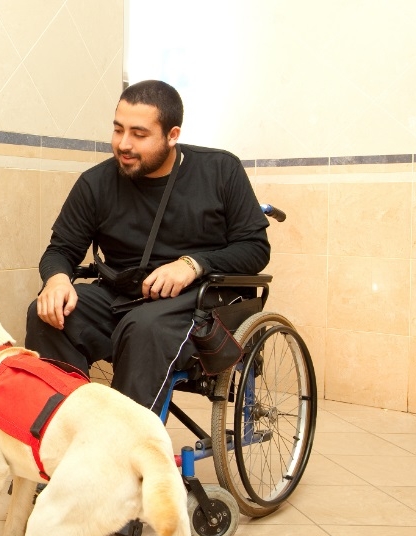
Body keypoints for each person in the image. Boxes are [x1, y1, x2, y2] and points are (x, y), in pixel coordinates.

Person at [26, 80, 269, 415]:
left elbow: (255, 248)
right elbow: (60, 250)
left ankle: (125, 451)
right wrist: (56, 280)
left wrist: (192, 264)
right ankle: (64, 430)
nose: (124, 144)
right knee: (48, 315)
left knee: (144, 328)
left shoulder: (220, 170)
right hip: (122, 295)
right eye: (118, 130)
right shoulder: (95, 183)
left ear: (172, 135)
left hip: (199, 301)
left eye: (139, 134)